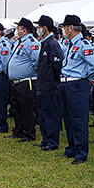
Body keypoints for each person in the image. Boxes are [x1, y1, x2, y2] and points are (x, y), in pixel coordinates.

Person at [58, 14, 94, 165]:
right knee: (68, 118)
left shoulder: (83, 44)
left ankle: (81, 153)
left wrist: (87, 78)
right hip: (66, 84)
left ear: (70, 28)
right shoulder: (69, 43)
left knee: (79, 119)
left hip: (77, 85)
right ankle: (71, 149)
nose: (62, 30)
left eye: (64, 27)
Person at [7, 17, 41, 143]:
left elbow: (38, 62)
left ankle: (29, 134)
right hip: (16, 82)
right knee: (17, 108)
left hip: (27, 82)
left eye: (18, 28)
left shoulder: (31, 43)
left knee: (27, 109)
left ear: (25, 30)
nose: (16, 31)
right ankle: (18, 131)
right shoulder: (20, 42)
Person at [34, 15, 64, 151]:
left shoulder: (52, 44)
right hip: (42, 86)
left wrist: (52, 82)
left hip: (50, 87)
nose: (38, 29)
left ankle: (53, 142)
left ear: (44, 28)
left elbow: (58, 66)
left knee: (51, 115)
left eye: (39, 27)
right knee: (42, 115)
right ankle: (45, 139)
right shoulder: (45, 43)